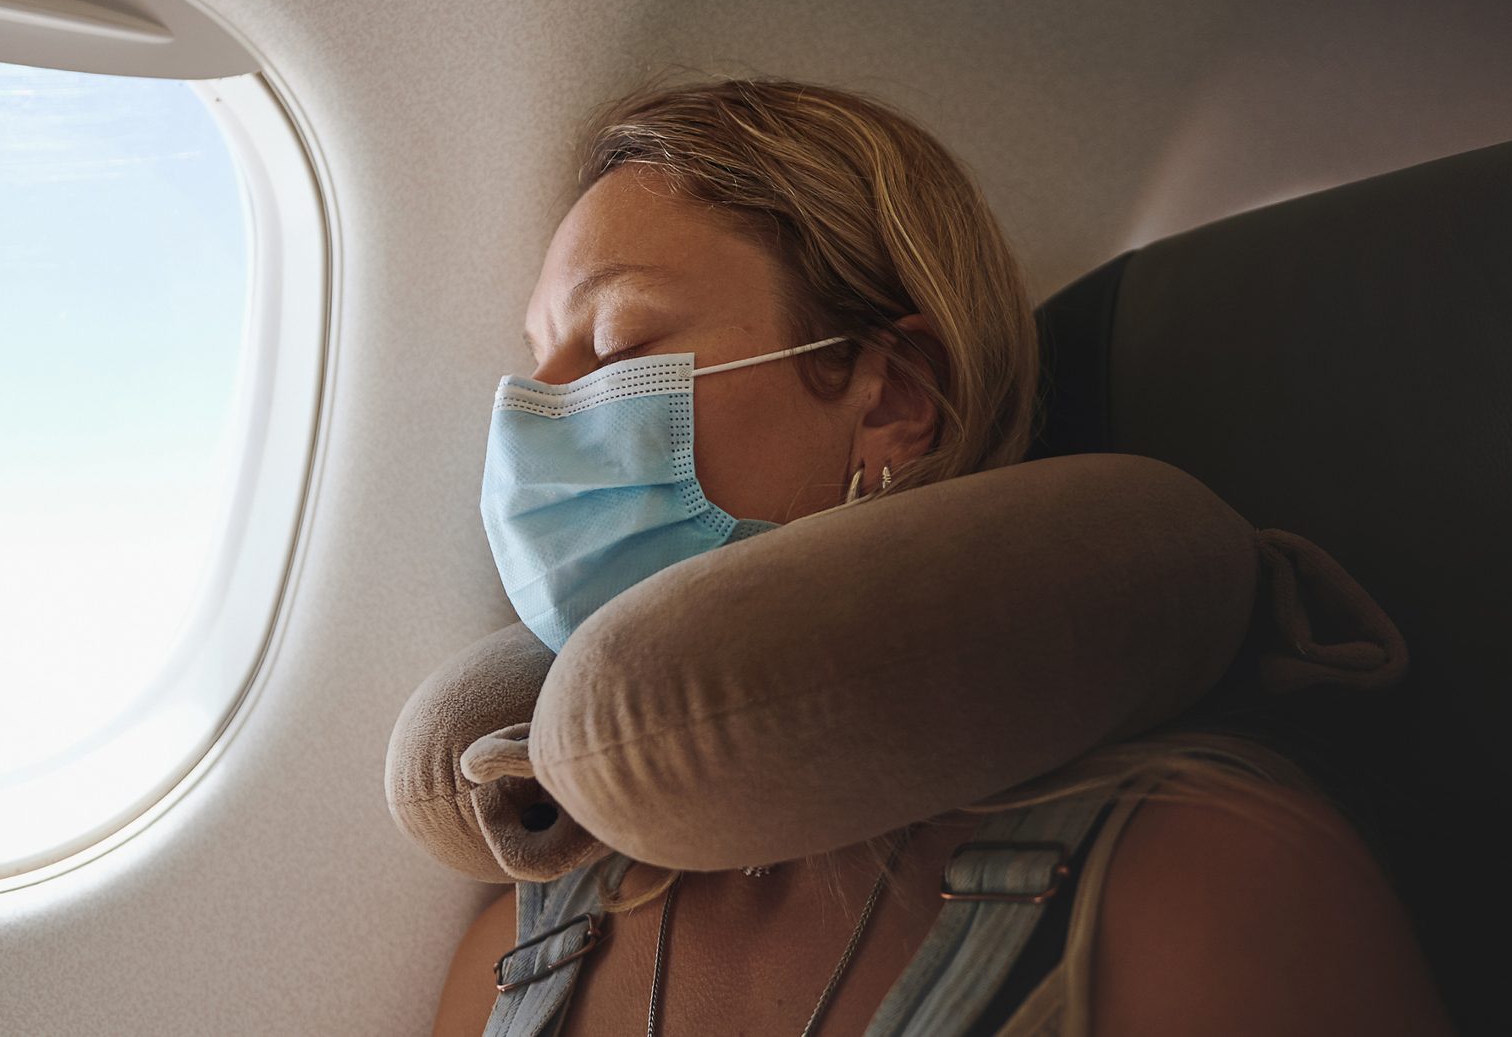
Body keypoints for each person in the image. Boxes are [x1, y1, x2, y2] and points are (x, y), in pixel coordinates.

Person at [432, 78, 1453, 1036]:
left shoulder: (1206, 880)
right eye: (537, 364)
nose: (533, 419)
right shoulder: (520, 948)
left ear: (896, 399)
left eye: (614, 344)